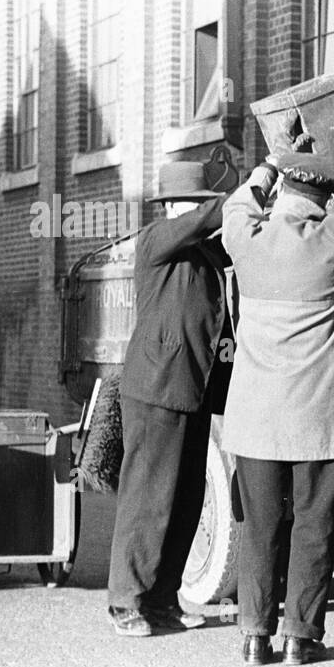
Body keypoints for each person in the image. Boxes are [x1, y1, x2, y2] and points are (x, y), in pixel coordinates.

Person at [221, 150, 334, 666]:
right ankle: (300, 635)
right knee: (314, 523)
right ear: (325, 197)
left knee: (259, 525)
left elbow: (238, 205)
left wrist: (264, 171)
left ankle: (254, 634)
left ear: (282, 192)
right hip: (317, 416)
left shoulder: (246, 239)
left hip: (256, 418)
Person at [107, 158, 237, 636]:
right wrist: (252, 188)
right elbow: (205, 221)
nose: (198, 215)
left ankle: (161, 600)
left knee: (184, 500)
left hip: (193, 389)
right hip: (158, 388)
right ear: (177, 208)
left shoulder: (203, 252)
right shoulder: (157, 238)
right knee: (147, 498)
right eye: (194, 207)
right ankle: (126, 602)